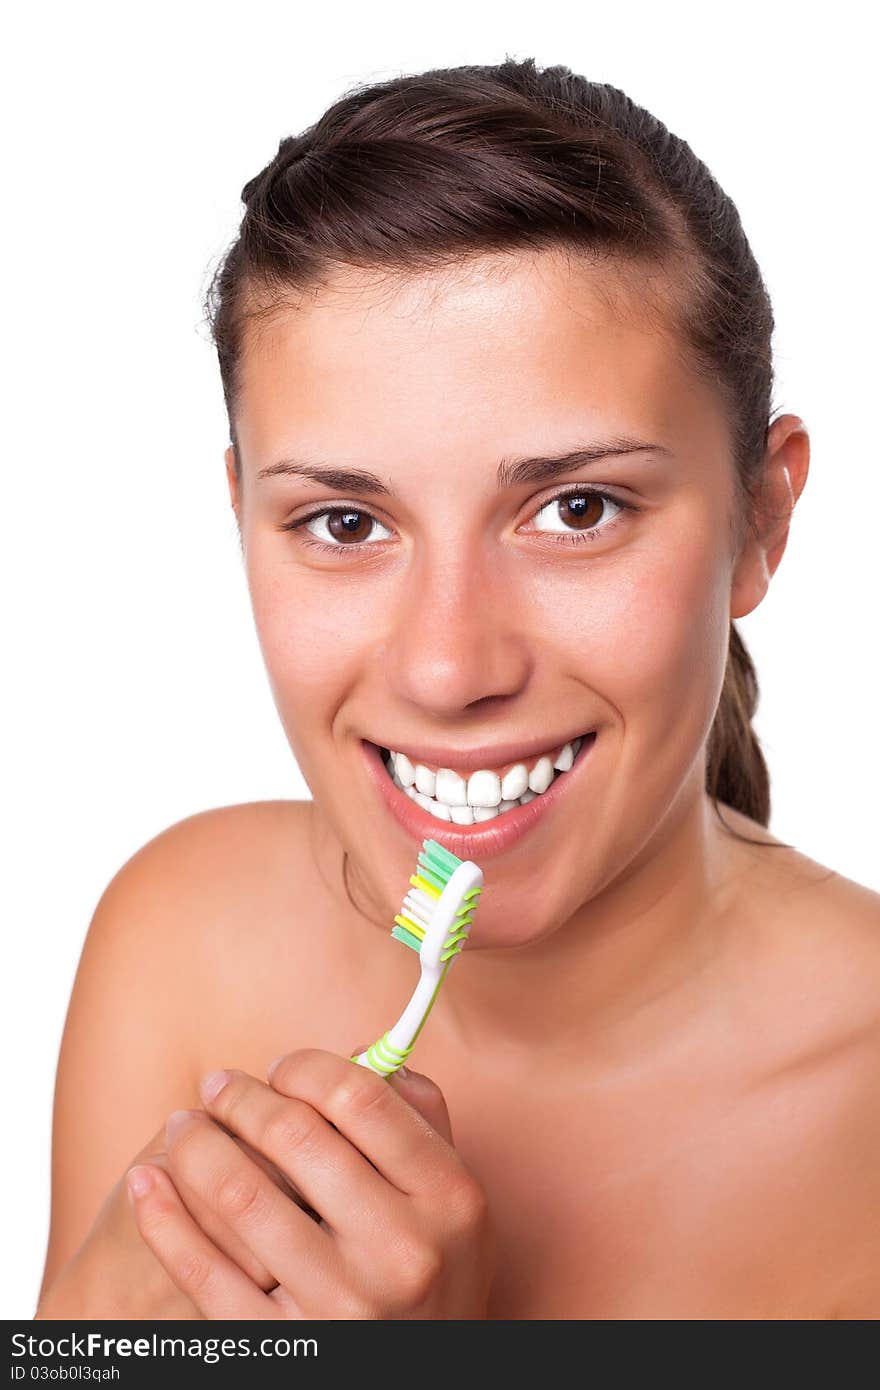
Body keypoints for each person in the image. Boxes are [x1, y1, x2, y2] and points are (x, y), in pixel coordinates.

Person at [35, 57, 880, 1321]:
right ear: (239, 516)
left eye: (575, 509)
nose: (446, 666)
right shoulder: (173, 939)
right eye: (341, 521)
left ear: (761, 518)